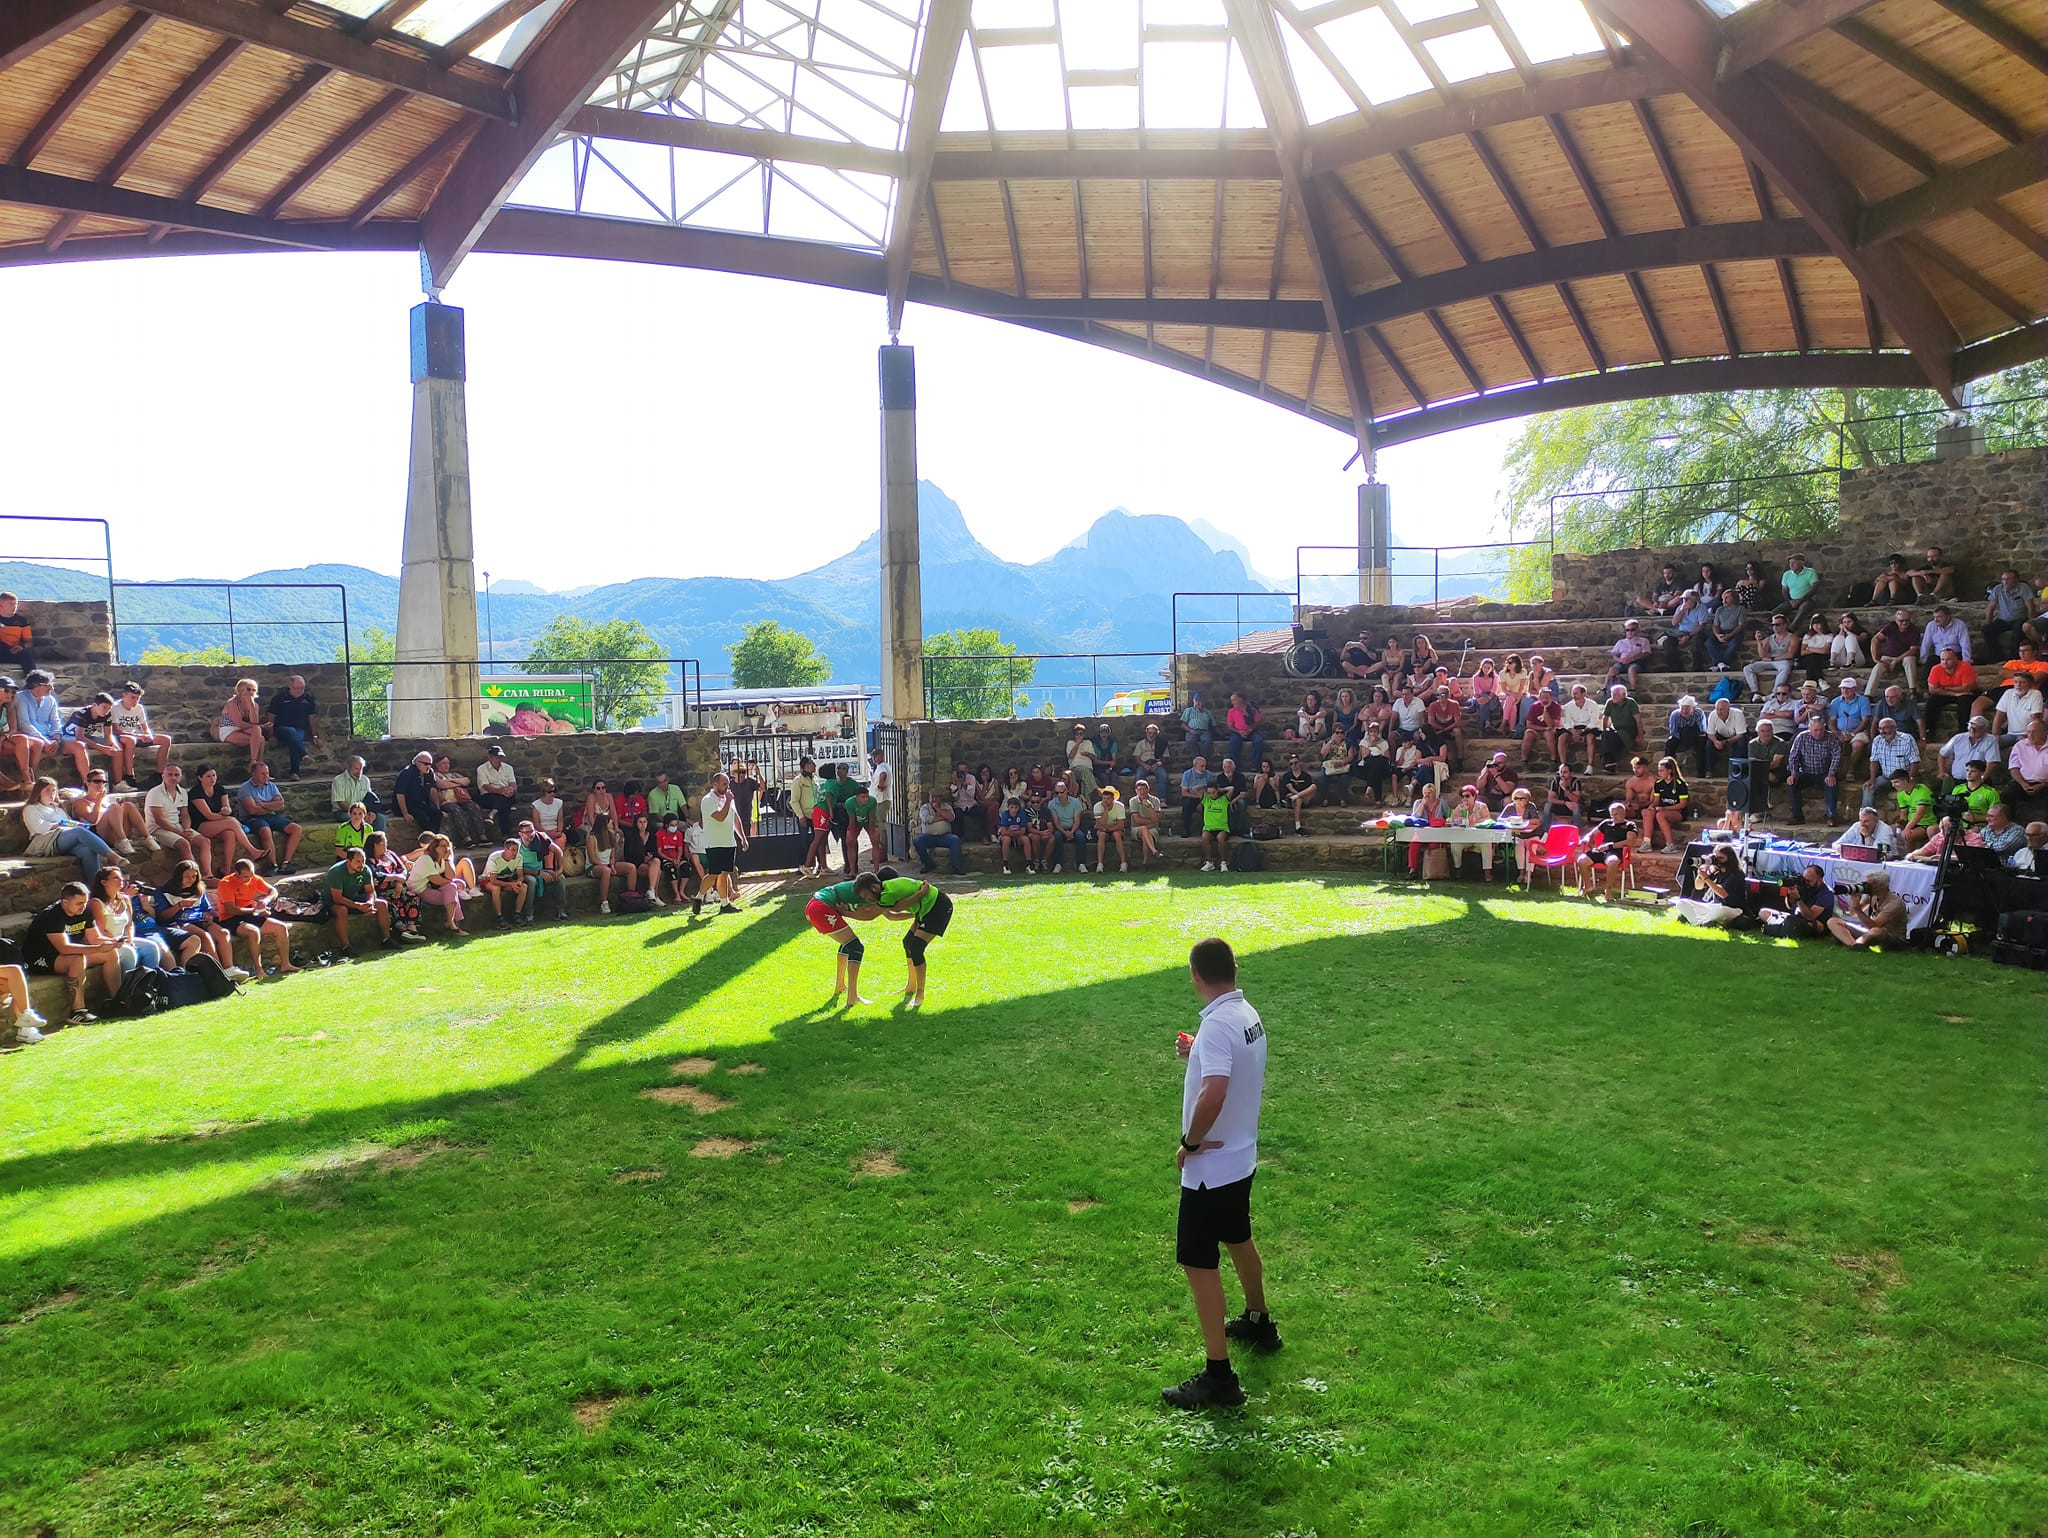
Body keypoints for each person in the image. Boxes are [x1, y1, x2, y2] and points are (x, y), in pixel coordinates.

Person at [1163, 936, 1275, 1411]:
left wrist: (1189, 1143)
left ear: (1196, 976)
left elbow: (1214, 1093)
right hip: (1241, 1157)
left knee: (1197, 1261)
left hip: (1210, 1168)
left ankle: (1219, 1376)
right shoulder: (1245, 1016)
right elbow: (1232, 1066)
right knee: (1238, 1237)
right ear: (1233, 969)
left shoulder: (1217, 1028)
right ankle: (1258, 1321)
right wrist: (1198, 1053)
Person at [24, 882, 119, 1025]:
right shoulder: (51, 916)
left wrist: (113, 942)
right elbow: (64, 948)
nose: (83, 906)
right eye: (79, 903)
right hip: (40, 957)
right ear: (65, 902)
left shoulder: (85, 911)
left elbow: (94, 938)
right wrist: (98, 948)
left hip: (63, 954)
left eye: (85, 902)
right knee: (77, 959)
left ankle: (118, 1000)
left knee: (110, 953)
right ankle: (78, 1012)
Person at [872, 866, 953, 1009]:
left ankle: (920, 994)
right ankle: (911, 986)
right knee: (907, 942)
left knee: (916, 947)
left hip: (937, 908)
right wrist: (915, 914)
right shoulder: (884, 897)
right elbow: (892, 915)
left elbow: (895, 910)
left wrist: (918, 904)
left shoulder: (893, 892)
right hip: (924, 911)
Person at [806, 871, 885, 1004]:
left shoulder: (861, 887)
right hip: (821, 907)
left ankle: (840, 986)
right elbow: (879, 914)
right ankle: (852, 997)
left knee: (847, 944)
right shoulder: (865, 890)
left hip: (814, 906)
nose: (866, 898)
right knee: (856, 947)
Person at [21, 774, 116, 881]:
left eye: (53, 790)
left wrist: (72, 824)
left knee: (88, 850)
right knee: (79, 832)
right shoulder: (31, 809)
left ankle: (94, 887)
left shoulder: (59, 809)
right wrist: (60, 824)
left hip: (65, 839)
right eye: (47, 790)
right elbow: (39, 828)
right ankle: (111, 855)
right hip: (46, 841)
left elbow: (69, 823)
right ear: (39, 792)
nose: (51, 793)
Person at [215, 857, 300, 975]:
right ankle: (259, 969)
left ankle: (286, 964)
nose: (249, 879)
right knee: (253, 932)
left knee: (281, 927)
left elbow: (273, 891)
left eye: (251, 875)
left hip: (251, 912)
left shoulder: (254, 878)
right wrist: (255, 910)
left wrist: (265, 901)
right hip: (230, 918)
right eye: (245, 877)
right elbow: (231, 910)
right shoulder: (226, 883)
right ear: (236, 873)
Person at [236, 760, 303, 873]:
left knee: (296, 828)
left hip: (270, 815)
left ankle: (286, 863)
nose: (266, 776)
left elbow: (281, 804)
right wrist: (271, 805)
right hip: (251, 818)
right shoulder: (245, 788)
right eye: (262, 773)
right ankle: (273, 865)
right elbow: (252, 810)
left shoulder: (271, 786)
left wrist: (262, 805)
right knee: (265, 831)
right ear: (254, 774)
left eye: (267, 773)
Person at [67, 768, 150, 857]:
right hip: (97, 834)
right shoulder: (81, 802)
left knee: (128, 805)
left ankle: (147, 838)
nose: (101, 784)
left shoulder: (105, 799)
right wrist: (98, 801)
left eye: (104, 782)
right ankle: (122, 840)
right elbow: (92, 820)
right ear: (87, 783)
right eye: (97, 781)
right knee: (113, 807)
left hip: (115, 832)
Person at [327, 845, 393, 952]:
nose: (361, 864)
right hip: (331, 902)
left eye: (363, 861)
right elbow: (337, 898)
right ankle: (346, 947)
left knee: (381, 904)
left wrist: (370, 903)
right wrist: (358, 906)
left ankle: (387, 939)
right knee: (341, 910)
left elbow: (370, 891)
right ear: (348, 861)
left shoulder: (365, 869)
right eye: (358, 861)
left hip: (353, 898)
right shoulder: (336, 872)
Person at [362, 831, 425, 941]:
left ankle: (412, 929)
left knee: (413, 897)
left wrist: (399, 883)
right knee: (390, 904)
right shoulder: (368, 860)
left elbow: (402, 869)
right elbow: (376, 876)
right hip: (381, 892)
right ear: (376, 845)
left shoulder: (390, 855)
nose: (387, 844)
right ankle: (402, 931)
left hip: (399, 889)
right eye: (385, 842)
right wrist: (396, 878)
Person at [107, 681, 171, 789]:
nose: (135, 701)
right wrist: (138, 736)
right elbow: (116, 730)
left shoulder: (139, 708)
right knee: (130, 740)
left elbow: (144, 727)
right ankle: (129, 775)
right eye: (133, 697)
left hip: (136, 735)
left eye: (138, 698)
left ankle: (159, 774)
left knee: (166, 739)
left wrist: (148, 734)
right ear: (124, 695)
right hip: (122, 737)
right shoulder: (115, 708)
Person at [699, 772, 747, 912]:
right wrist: (727, 800)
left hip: (728, 841)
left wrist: (742, 837)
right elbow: (720, 817)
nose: (727, 787)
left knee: (725, 873)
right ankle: (699, 896)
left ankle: (724, 904)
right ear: (715, 785)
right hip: (714, 842)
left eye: (728, 784)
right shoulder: (707, 800)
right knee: (714, 873)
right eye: (724, 784)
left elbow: (735, 818)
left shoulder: (729, 799)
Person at [406, 833, 470, 937]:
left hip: (431, 887)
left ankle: (451, 923)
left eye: (448, 845)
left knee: (451, 890)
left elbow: (450, 876)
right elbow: (437, 880)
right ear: (435, 847)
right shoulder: (426, 859)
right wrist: (454, 883)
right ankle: (455, 926)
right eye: (443, 846)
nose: (447, 848)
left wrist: (446, 860)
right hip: (419, 890)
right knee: (452, 893)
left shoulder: (444, 859)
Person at [1825, 871, 1907, 950]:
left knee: (1876, 931)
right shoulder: (1872, 895)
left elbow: (1874, 925)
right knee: (1832, 921)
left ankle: (1857, 943)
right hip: (1869, 931)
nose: (1866, 887)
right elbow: (1853, 913)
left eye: (1869, 885)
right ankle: (1854, 945)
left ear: (1881, 886)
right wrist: (1854, 899)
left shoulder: (1894, 903)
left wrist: (1858, 909)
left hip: (1892, 936)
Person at [1787, 715, 1843, 825]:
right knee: (1791, 784)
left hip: (1824, 773)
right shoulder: (1801, 737)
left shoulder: (1831, 737)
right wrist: (1793, 773)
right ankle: (1797, 816)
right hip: (1805, 772)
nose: (1818, 733)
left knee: (1832, 785)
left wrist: (1831, 774)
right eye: (1815, 730)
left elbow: (1836, 756)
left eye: (1821, 730)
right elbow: (1793, 756)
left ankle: (1831, 816)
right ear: (1809, 729)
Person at [261, 675, 320, 779]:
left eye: (302, 688)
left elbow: (312, 718)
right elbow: (271, 717)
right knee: (292, 732)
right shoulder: (279, 698)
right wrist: (271, 736)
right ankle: (303, 756)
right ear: (290, 687)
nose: (299, 691)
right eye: (297, 688)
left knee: (295, 738)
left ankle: (294, 773)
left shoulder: (308, 699)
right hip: (281, 729)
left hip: (300, 729)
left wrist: (314, 736)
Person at [1576, 802, 1637, 900]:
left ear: (1623, 814)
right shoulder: (1606, 823)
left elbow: (1630, 841)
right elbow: (1592, 834)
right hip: (1601, 850)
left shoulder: (1629, 825)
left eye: (1616, 814)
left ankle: (1608, 890)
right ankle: (1587, 886)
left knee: (1612, 862)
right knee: (1581, 860)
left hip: (1616, 851)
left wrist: (1611, 845)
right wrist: (1586, 839)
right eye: (1612, 814)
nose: (1614, 817)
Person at [60, 691, 123, 786]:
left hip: (89, 735)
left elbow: (108, 735)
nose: (107, 710)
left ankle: (118, 783)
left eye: (109, 708)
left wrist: (112, 745)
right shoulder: (82, 714)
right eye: (104, 707)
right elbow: (80, 737)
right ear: (94, 705)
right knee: (81, 746)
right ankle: (88, 784)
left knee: (117, 747)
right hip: (69, 737)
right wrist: (102, 748)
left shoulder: (107, 715)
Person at [1675, 845, 1746, 927]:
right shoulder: (1716, 872)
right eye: (1716, 858)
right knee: (1681, 902)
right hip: (1714, 906)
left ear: (1730, 858)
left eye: (1721, 858)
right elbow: (1698, 887)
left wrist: (1706, 878)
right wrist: (1701, 875)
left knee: (1720, 911)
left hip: (1732, 909)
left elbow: (1723, 894)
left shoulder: (1736, 873)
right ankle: (1700, 922)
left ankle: (1697, 919)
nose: (1717, 861)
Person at [480, 836, 537, 928]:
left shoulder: (519, 857)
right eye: (513, 850)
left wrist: (518, 882)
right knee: (496, 889)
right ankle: (500, 918)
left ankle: (517, 915)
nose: (515, 853)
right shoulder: (494, 858)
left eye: (517, 850)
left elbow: (520, 875)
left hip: (506, 880)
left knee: (523, 887)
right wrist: (511, 884)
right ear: (506, 849)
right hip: (488, 880)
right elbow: (493, 880)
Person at [1984, 568, 2039, 661]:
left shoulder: (2023, 588)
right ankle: (1996, 655)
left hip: (2020, 619)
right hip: (2003, 620)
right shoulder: (1998, 589)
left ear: (2016, 579)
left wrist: (2031, 622)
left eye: (2008, 579)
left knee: (2018, 629)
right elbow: (1991, 607)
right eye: (2003, 579)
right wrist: (1988, 622)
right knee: (1986, 630)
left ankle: (2013, 657)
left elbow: (2030, 606)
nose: (2005, 582)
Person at [1865, 608, 1922, 697]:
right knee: (1878, 667)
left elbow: (1913, 650)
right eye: (1901, 621)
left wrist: (1896, 661)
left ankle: (1913, 691)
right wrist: (1875, 658)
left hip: (1904, 657)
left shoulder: (1914, 630)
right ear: (1896, 620)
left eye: (1907, 620)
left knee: (1909, 660)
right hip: (1888, 657)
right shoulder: (1891, 626)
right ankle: (1868, 695)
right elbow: (1875, 639)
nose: (1904, 623)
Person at [1938, 714, 2002, 791]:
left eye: (1975, 729)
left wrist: (1982, 778)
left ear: (1984, 729)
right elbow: (1942, 754)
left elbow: (1992, 762)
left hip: (1978, 781)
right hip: (1958, 781)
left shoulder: (1990, 740)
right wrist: (1941, 771)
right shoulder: (1958, 738)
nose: (1972, 731)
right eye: (1970, 727)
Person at [215, 678, 267, 770]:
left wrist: (251, 705)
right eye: (248, 689)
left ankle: (256, 764)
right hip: (229, 730)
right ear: (240, 690)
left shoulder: (255, 705)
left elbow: (254, 722)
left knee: (258, 733)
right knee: (260, 738)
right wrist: (259, 726)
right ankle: (256, 766)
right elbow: (239, 723)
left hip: (243, 730)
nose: (251, 692)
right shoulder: (232, 703)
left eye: (253, 690)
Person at [1828, 676, 1876, 773]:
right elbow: (1831, 721)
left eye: (1848, 688)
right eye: (1843, 688)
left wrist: (1852, 734)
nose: (1845, 690)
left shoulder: (1863, 700)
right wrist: (1838, 734)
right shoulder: (1835, 701)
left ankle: (1851, 769)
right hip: (1839, 732)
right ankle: (1834, 771)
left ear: (1854, 689)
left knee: (1857, 745)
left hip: (1858, 731)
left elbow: (1865, 720)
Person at [914, 788, 966, 876]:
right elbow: (928, 819)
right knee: (917, 840)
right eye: (932, 797)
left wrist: (937, 809)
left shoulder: (946, 806)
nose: (934, 799)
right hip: (929, 837)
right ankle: (928, 864)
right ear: (929, 798)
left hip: (944, 836)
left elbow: (951, 818)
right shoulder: (925, 807)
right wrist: (943, 817)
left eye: (936, 797)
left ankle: (957, 867)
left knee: (955, 839)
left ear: (940, 798)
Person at [1045, 776, 1091, 875]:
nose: (1059, 795)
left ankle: (1081, 864)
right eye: (1057, 793)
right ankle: (1058, 864)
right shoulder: (1051, 804)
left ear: (1067, 791)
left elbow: (1077, 820)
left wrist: (1072, 832)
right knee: (1057, 837)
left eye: (1062, 792)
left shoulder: (1075, 802)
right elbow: (1056, 821)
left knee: (1081, 837)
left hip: (1073, 827)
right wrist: (1064, 832)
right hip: (1060, 828)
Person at [1745, 614, 1797, 698]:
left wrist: (1773, 658)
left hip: (1783, 660)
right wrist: (1759, 641)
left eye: (1778, 625)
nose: (1775, 627)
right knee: (1748, 668)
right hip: (1771, 660)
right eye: (1773, 625)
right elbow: (1762, 655)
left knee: (1785, 666)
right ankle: (1755, 692)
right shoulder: (1770, 638)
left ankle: (1775, 692)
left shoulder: (1792, 637)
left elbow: (1790, 654)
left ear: (1785, 625)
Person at [474, 744, 519, 838]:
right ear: (490, 757)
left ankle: (492, 814)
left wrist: (511, 790)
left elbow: (513, 783)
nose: (499, 759)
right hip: (489, 795)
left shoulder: (508, 768)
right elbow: (485, 787)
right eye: (497, 757)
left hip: (507, 795)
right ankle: (505, 835)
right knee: (504, 805)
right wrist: (500, 791)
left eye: (501, 757)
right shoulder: (482, 769)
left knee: (504, 801)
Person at [841, 776, 882, 878]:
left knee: (876, 841)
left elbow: (872, 817)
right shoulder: (849, 803)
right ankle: (852, 871)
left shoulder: (872, 801)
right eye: (863, 797)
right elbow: (851, 819)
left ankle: (877, 870)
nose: (866, 799)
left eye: (867, 796)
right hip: (855, 821)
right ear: (857, 797)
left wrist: (872, 832)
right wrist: (852, 833)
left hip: (869, 821)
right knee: (849, 842)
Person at [329, 755, 384, 828]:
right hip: (343, 812)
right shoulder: (339, 780)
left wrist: (372, 812)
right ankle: (361, 838)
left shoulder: (365, 780)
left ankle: (377, 839)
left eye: (361, 769)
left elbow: (370, 799)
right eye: (356, 769)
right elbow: (341, 803)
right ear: (348, 768)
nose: (359, 772)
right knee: (357, 819)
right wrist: (360, 813)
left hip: (363, 810)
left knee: (381, 818)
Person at [393, 751, 440, 836]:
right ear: (417, 763)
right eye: (425, 764)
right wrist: (405, 813)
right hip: (406, 805)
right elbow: (400, 794)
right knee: (422, 816)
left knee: (437, 814)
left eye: (430, 764)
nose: (428, 766)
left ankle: (434, 836)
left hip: (419, 804)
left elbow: (433, 790)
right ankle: (431, 838)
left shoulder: (429, 773)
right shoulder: (407, 773)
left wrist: (437, 807)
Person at [1649, 757, 1691, 852]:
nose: (1659, 773)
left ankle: (1670, 844)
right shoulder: (1658, 784)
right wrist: (1651, 807)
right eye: (1658, 771)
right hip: (1663, 809)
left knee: (1660, 815)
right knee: (1648, 813)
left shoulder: (1680, 784)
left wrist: (1665, 809)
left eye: (1662, 771)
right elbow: (1656, 801)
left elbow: (1683, 804)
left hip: (1678, 812)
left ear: (1669, 771)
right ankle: (1646, 843)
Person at [2007, 717, 2048, 814]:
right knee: (2007, 793)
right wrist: (2023, 784)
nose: (2030, 735)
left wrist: (2043, 784)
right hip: (2024, 783)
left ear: (2045, 732)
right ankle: (2009, 824)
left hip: (2045, 785)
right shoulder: (2020, 746)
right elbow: (2014, 768)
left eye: (2035, 732)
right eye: (2029, 732)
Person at [1597, 684, 1641, 774]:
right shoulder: (1610, 702)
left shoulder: (1631, 703)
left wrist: (1640, 736)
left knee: (1614, 737)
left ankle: (1609, 763)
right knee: (1607, 735)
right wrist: (1605, 731)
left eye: (1616, 694)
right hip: (1616, 731)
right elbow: (1605, 718)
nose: (1613, 696)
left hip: (1629, 731)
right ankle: (1610, 763)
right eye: (1612, 694)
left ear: (1624, 695)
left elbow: (1638, 720)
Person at [1994, 669, 2043, 747]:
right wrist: (1995, 735)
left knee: (2020, 746)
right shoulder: (2008, 693)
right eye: (2016, 682)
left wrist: (2029, 735)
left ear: (2029, 684)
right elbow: (1999, 715)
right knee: (1990, 743)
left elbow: (2035, 719)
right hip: (2010, 734)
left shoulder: (2036, 694)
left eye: (2022, 682)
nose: (2018, 685)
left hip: (2027, 735)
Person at [620, 811, 661, 904]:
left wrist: (650, 857)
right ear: (636, 823)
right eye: (640, 822)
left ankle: (652, 891)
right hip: (638, 864)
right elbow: (628, 855)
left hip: (650, 862)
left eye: (644, 822)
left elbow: (656, 851)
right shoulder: (631, 836)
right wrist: (643, 859)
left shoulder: (652, 836)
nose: (642, 825)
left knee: (656, 861)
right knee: (657, 870)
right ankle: (654, 895)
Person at [1663, 695, 1709, 776]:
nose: (1684, 711)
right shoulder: (1675, 715)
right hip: (1680, 736)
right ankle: (1668, 770)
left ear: (1693, 708)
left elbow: (1702, 731)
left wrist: (1691, 736)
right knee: (1670, 744)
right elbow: (1673, 731)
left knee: (1701, 743)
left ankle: (1701, 771)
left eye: (1687, 708)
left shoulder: (1699, 713)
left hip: (1696, 736)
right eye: (1682, 708)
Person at [1833, 805, 1898, 859]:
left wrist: (1868, 836)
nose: (1862, 824)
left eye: (1866, 821)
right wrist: (1842, 850)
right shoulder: (1857, 826)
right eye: (1861, 821)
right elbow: (1836, 844)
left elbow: (1884, 853)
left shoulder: (1885, 829)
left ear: (1875, 820)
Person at [1702, 696, 1747, 773]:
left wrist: (1726, 742)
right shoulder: (1713, 715)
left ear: (1728, 709)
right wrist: (1716, 741)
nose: (1719, 712)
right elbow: (1710, 734)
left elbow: (1740, 734)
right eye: (1717, 709)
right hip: (1721, 735)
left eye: (1722, 710)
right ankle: (1709, 771)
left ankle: (1736, 771)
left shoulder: (1738, 714)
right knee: (1709, 745)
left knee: (1741, 744)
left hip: (1736, 736)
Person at [1606, 619, 1652, 693]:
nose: (1630, 632)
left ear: (1637, 630)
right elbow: (1614, 654)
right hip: (1622, 662)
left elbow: (1646, 653)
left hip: (1637, 662)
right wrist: (1620, 660)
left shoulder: (1643, 641)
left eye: (1632, 630)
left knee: (1632, 669)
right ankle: (1604, 688)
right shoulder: (1621, 642)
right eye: (1627, 630)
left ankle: (1632, 689)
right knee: (1612, 669)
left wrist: (1632, 658)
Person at [1780, 553, 1821, 630]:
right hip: (1792, 600)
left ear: (1802, 563)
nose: (1791, 565)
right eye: (1790, 563)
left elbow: (1814, 589)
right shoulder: (1787, 574)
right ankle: (1781, 627)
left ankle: (1792, 628)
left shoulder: (1810, 572)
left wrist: (1801, 600)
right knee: (1776, 611)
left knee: (1803, 608)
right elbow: (1784, 590)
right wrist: (1790, 601)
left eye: (1794, 562)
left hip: (1807, 600)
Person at [1198, 777, 1231, 873]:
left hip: (1222, 828)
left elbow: (1231, 789)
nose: (1211, 795)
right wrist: (1205, 786)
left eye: (1213, 792)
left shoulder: (1224, 799)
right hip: (1209, 828)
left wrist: (1221, 789)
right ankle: (1209, 862)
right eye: (1209, 793)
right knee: (1204, 836)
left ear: (1217, 791)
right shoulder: (1206, 800)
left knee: (1221, 838)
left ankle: (1224, 863)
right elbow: (1194, 789)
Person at [1178, 755, 1214, 839]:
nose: (1204, 768)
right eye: (1202, 766)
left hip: (1205, 798)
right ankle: (1186, 829)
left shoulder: (1209, 775)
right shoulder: (1187, 774)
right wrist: (1197, 797)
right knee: (1186, 803)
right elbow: (1184, 793)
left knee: (1208, 805)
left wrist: (1202, 801)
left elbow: (1212, 792)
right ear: (1195, 766)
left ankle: (1207, 830)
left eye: (1205, 766)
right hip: (1192, 797)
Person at [1225, 693, 1265, 769]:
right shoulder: (1231, 711)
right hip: (1237, 732)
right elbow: (1230, 725)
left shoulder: (1252, 709)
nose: (1232, 702)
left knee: (1258, 741)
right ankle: (1236, 766)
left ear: (1240, 699)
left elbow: (1257, 722)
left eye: (1234, 700)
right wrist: (1239, 731)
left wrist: (1250, 730)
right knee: (1234, 742)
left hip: (1251, 731)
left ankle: (1255, 765)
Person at [1129, 780, 1163, 868]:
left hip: (1152, 828)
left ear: (1148, 789)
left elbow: (1156, 819)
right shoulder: (1133, 801)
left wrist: (1149, 806)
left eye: (1144, 789)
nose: (1142, 792)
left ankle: (1145, 863)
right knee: (1144, 828)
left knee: (1146, 835)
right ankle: (1154, 851)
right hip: (1137, 828)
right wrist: (1151, 820)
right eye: (1139, 790)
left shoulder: (1155, 800)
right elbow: (1136, 820)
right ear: (1136, 791)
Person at [996, 795, 1034, 875]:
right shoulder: (1005, 815)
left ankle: (1029, 864)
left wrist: (1012, 832)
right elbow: (1003, 831)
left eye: (1016, 807)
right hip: (1007, 836)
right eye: (1012, 807)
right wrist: (1014, 832)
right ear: (1008, 807)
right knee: (1006, 839)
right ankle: (1005, 865)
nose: (1014, 810)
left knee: (1026, 839)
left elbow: (1023, 830)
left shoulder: (1021, 814)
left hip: (1017, 837)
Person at [1095, 784, 1129, 872]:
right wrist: (1105, 810)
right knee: (1101, 835)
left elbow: (1121, 825)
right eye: (1104, 798)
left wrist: (1109, 829)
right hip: (1103, 829)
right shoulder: (1097, 806)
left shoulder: (1120, 806)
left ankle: (1123, 863)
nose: (1105, 801)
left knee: (1117, 834)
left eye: (1108, 798)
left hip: (1115, 829)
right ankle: (1100, 864)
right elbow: (1100, 824)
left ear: (1113, 799)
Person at [0, 592, 36, 672]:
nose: (14, 607)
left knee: (26, 655)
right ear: (1, 604)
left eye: (15, 604)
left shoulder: (22, 621)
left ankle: (34, 680)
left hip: (13, 652)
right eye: (10, 604)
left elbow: (29, 642)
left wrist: (21, 647)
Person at [1796, 614, 1833, 685]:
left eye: (1818, 624)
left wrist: (1809, 648)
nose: (1816, 626)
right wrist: (1817, 650)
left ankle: (1809, 683)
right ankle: (1820, 679)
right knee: (1811, 658)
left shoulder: (1829, 636)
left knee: (1812, 659)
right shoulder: (1807, 636)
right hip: (1808, 658)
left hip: (1822, 658)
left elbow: (1825, 651)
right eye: (1814, 624)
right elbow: (1802, 652)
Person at [1180, 691, 1214, 759]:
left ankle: (1204, 760)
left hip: (1204, 731)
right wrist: (1190, 730)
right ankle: (1196, 760)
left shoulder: (1208, 712)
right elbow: (1183, 724)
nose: (1197, 702)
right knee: (1191, 740)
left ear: (1203, 702)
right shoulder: (1188, 710)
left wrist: (1223, 734)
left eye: (1199, 701)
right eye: (1196, 700)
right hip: (1191, 731)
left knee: (1207, 741)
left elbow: (1214, 724)